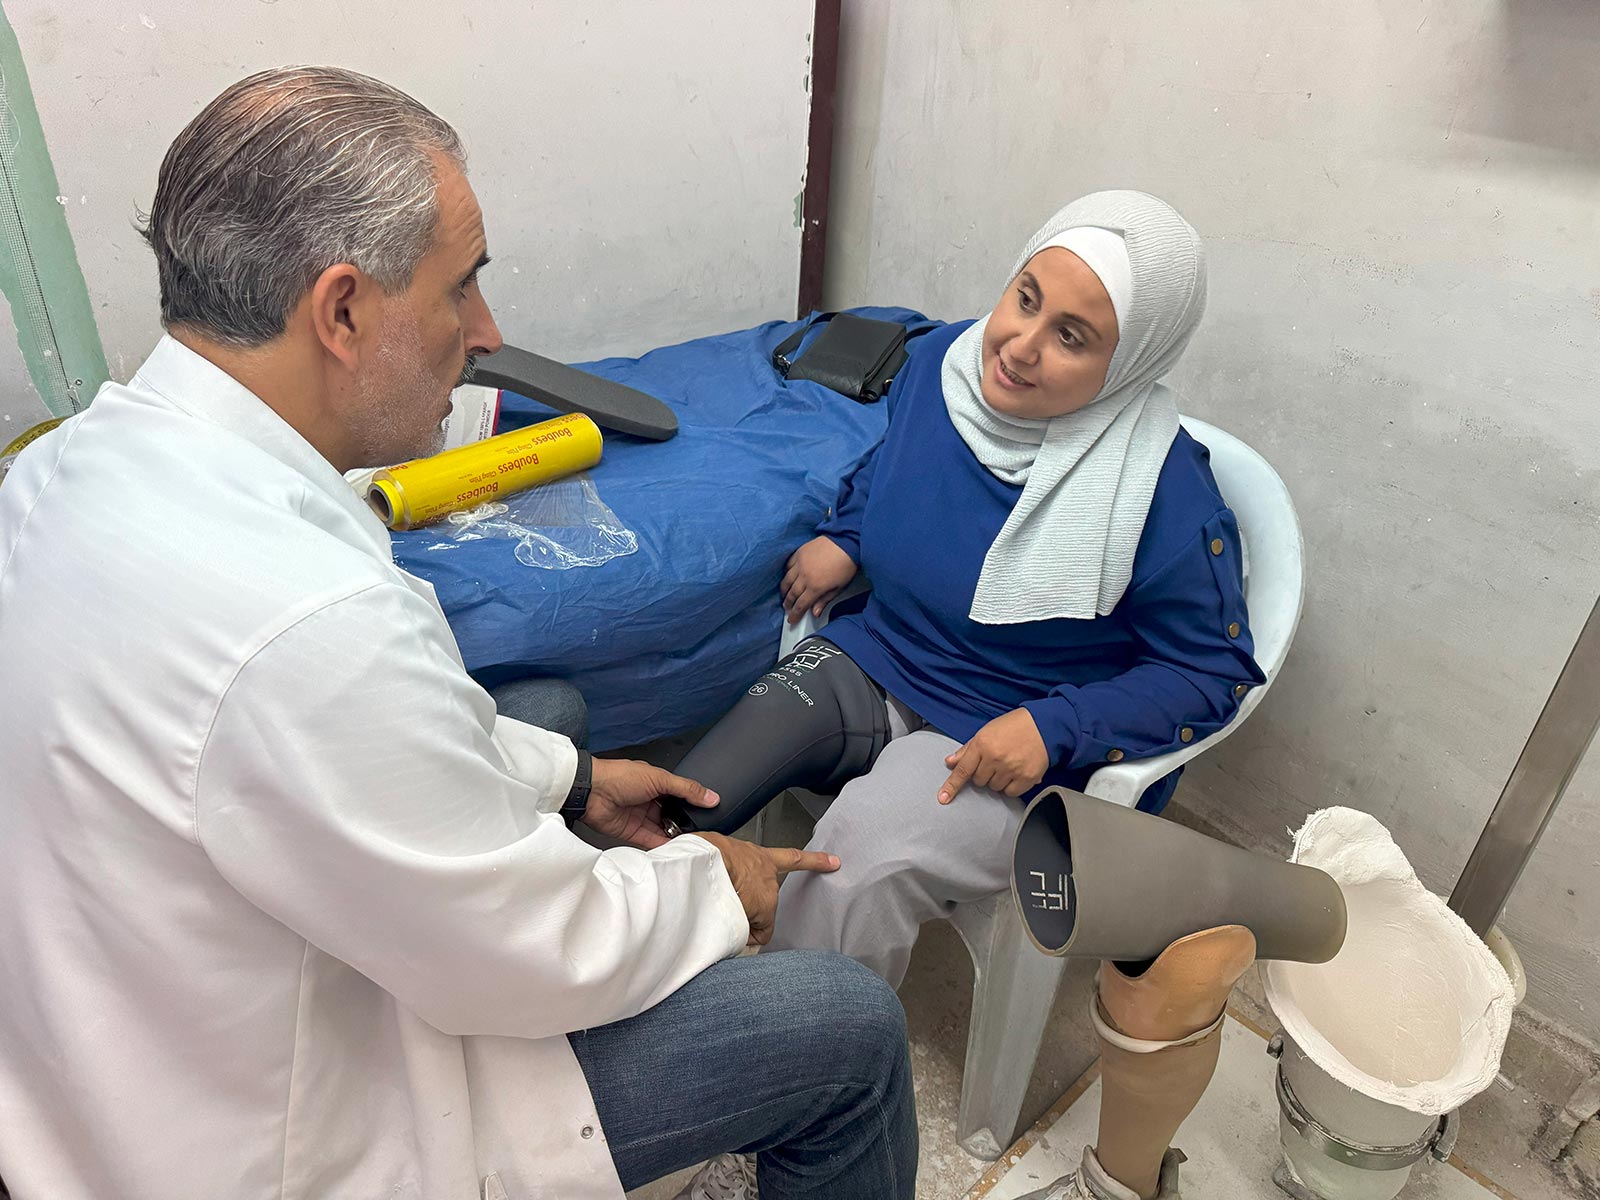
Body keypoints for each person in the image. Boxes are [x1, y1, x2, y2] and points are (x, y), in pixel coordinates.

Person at [0, 67, 916, 1200]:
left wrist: (573, 781)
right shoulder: (308, 629)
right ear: (340, 310)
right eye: (460, 289)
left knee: (544, 717)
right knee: (845, 1026)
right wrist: (717, 887)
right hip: (247, 1132)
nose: (486, 334)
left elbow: (365, 730)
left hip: (94, 1011)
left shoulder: (64, 464)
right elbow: (526, 959)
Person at [667, 191, 1267, 994]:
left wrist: (1055, 727)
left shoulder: (1163, 496)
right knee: (695, 793)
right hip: (886, 656)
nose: (1019, 346)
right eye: (1026, 299)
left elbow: (1211, 674)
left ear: (1129, 364)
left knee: (850, 866)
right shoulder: (943, 369)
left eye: (1072, 337)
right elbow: (891, 465)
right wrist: (847, 537)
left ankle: (789, 1057)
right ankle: (630, 980)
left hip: (1012, 741)